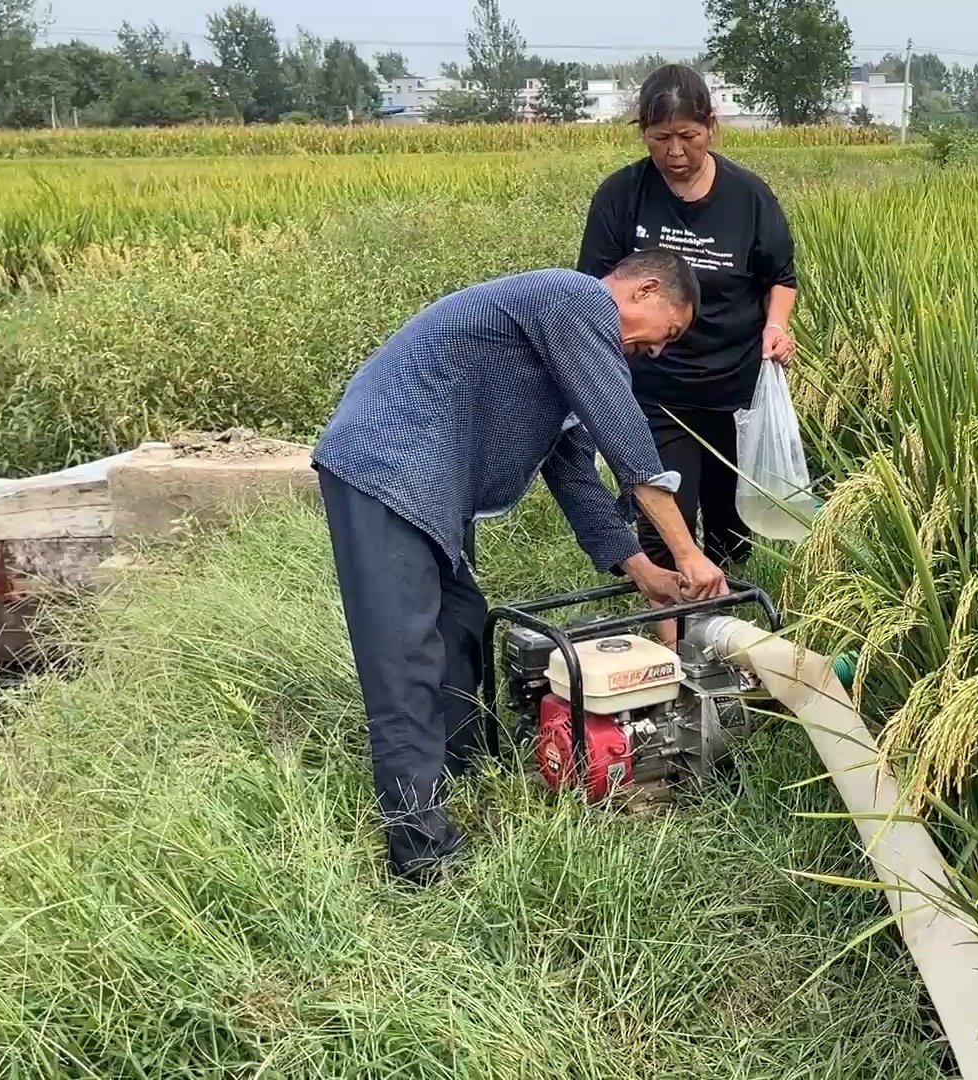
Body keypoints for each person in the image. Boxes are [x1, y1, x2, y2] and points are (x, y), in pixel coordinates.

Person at [311, 251, 727, 885]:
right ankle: (420, 849)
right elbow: (624, 432)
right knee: (405, 657)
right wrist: (690, 553)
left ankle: (462, 771)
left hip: (430, 482)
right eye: (666, 331)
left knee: (460, 624)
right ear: (645, 288)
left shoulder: (563, 339)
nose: (657, 352)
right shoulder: (576, 298)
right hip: (385, 464)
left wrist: (642, 568)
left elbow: (573, 472)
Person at [577, 63, 798, 643]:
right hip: (655, 388)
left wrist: (776, 327)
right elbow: (590, 291)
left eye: (688, 137)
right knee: (666, 515)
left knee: (731, 526)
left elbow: (780, 275)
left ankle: (729, 640)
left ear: (711, 127)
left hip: (732, 391)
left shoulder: (748, 196)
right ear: (643, 134)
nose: (674, 152)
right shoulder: (623, 196)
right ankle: (673, 661)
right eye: (659, 139)